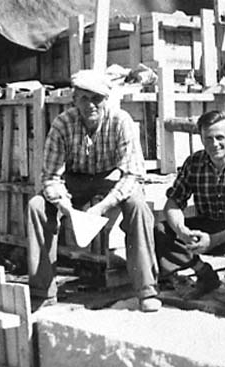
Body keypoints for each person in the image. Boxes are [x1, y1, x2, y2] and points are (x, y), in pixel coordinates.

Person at [26, 69, 161, 312]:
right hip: (74, 179)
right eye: (84, 98)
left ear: (106, 99)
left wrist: (101, 207)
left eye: (96, 98)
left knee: (138, 206)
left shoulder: (121, 121)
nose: (90, 105)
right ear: (74, 100)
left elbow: (132, 174)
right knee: (37, 206)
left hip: (110, 176)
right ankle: (42, 291)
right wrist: (65, 206)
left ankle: (146, 289)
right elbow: (51, 177)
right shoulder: (62, 124)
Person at [154, 110, 225, 297]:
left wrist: (214, 240)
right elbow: (173, 202)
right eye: (208, 138)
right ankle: (204, 273)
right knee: (161, 230)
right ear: (201, 139)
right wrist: (182, 231)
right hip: (209, 223)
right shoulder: (194, 162)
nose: (214, 144)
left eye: (220, 137)